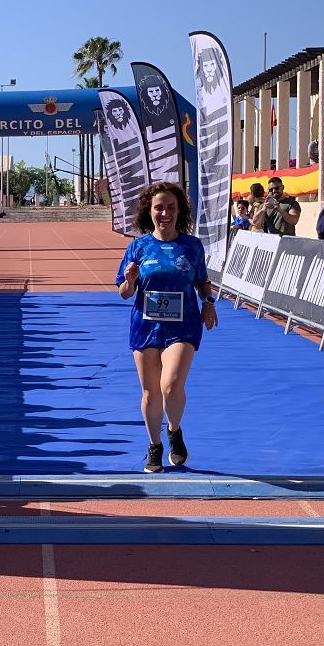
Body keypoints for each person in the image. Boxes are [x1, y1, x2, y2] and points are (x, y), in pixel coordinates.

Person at [116, 182, 218, 473]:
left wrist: (208, 302)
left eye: (171, 207)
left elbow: (202, 281)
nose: (165, 213)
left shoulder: (191, 246)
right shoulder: (138, 247)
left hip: (183, 325)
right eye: (159, 208)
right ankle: (155, 444)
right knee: (151, 393)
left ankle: (174, 430)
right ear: (149, 211)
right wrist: (131, 279)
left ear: (179, 211)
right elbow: (124, 292)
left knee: (171, 385)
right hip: (145, 326)